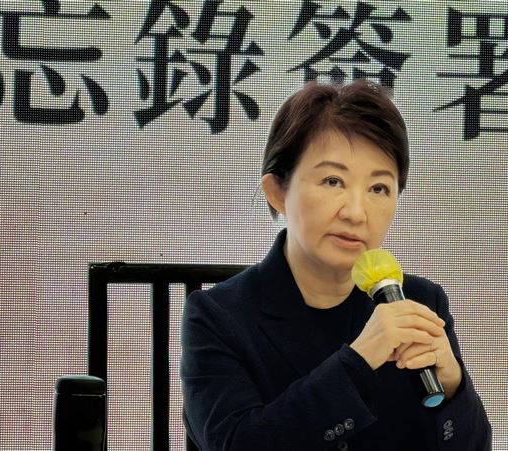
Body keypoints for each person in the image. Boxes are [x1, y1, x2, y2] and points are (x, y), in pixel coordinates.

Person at [181, 80, 491, 450]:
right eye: (333, 181)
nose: (356, 213)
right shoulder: (218, 316)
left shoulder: (419, 301)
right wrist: (358, 362)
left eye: (379, 188)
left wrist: (453, 385)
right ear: (278, 191)